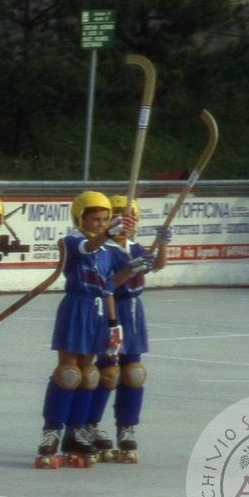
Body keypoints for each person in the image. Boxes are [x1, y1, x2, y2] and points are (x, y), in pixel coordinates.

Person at [35, 191, 135, 469]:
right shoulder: (72, 241)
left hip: (99, 310)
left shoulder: (109, 249)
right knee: (69, 372)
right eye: (95, 219)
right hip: (77, 306)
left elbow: (111, 283)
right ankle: (52, 429)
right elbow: (86, 248)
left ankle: (76, 429)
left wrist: (134, 267)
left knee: (89, 373)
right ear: (81, 218)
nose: (101, 224)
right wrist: (109, 234)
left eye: (105, 220)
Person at [86, 196, 165, 463]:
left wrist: (162, 244)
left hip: (133, 311)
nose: (126, 222)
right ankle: (90, 424)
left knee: (133, 372)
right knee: (107, 371)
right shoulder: (104, 249)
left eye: (130, 217)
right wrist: (129, 271)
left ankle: (126, 426)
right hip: (112, 309)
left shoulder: (135, 247)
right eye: (120, 216)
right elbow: (107, 283)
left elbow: (157, 264)